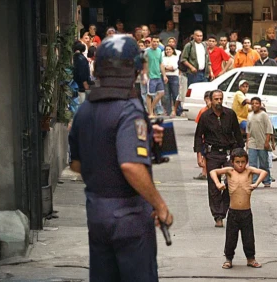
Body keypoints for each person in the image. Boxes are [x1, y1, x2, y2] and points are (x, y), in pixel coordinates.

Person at [68, 34, 173, 281]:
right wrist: (159, 205)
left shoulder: (84, 109)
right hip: (129, 216)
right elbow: (130, 165)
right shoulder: (129, 109)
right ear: (134, 68)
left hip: (97, 214)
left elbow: (76, 164)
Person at [194, 90, 245, 227]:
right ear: (210, 100)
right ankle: (218, 216)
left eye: (220, 99)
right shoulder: (205, 117)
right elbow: (199, 136)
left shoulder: (230, 114)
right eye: (216, 99)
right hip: (213, 154)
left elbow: (238, 134)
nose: (218, 101)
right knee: (213, 186)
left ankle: (223, 210)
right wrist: (199, 155)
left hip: (229, 153)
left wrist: (241, 154)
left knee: (231, 183)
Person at [209, 148, 267, 269]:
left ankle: (251, 259)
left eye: (243, 162)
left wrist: (256, 184)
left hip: (246, 212)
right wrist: (218, 183)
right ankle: (228, 259)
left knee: (249, 238)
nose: (240, 165)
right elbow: (213, 172)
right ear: (232, 162)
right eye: (237, 162)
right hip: (233, 212)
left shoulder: (249, 171)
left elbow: (263, 172)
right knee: (231, 238)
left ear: (246, 162)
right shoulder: (230, 171)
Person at [246, 97, 273, 188]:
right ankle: (254, 181)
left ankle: (266, 180)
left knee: (264, 163)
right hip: (252, 142)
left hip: (262, 142)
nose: (254, 105)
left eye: (256, 103)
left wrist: (267, 142)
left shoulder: (264, 115)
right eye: (252, 103)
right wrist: (248, 142)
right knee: (252, 163)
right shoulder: (249, 115)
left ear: (260, 104)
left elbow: (269, 129)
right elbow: (248, 130)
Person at [145, 36, 168, 117]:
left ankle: (151, 109)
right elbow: (144, 64)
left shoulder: (159, 50)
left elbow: (161, 63)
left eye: (157, 42)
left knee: (161, 93)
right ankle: (150, 112)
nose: (155, 43)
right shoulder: (146, 51)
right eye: (154, 41)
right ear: (151, 42)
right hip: (150, 76)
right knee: (149, 94)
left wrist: (164, 75)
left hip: (158, 75)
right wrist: (145, 75)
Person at [193, 91, 212, 181]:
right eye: (207, 99)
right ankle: (204, 173)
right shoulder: (203, 111)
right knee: (205, 155)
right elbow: (199, 127)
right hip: (205, 138)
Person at [161, 45, 180, 117]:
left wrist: (166, 68)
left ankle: (178, 111)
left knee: (175, 94)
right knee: (166, 95)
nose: (168, 51)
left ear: (173, 50)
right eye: (166, 49)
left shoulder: (176, 57)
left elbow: (174, 67)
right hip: (165, 76)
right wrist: (166, 68)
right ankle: (168, 111)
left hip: (174, 76)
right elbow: (161, 67)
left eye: (170, 49)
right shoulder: (163, 58)